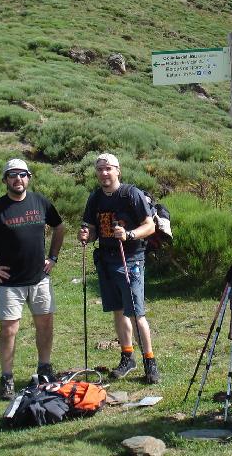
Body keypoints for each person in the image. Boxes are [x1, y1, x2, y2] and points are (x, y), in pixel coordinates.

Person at [0, 158, 65, 400]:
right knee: (9, 329)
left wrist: (53, 257)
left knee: (45, 324)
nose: (18, 179)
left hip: (39, 278)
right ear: (5, 180)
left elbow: (59, 227)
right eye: (12, 175)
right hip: (9, 282)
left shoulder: (40, 202)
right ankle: (7, 377)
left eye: (22, 174)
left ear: (29, 177)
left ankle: (45, 368)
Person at [77, 153, 161, 384]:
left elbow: (150, 226)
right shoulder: (95, 198)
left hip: (131, 259)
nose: (104, 173)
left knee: (135, 313)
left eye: (108, 168)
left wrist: (129, 234)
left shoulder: (131, 194)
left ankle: (150, 361)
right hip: (106, 260)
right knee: (118, 310)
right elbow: (93, 230)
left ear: (118, 170)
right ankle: (127, 357)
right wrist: (86, 235)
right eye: (100, 169)